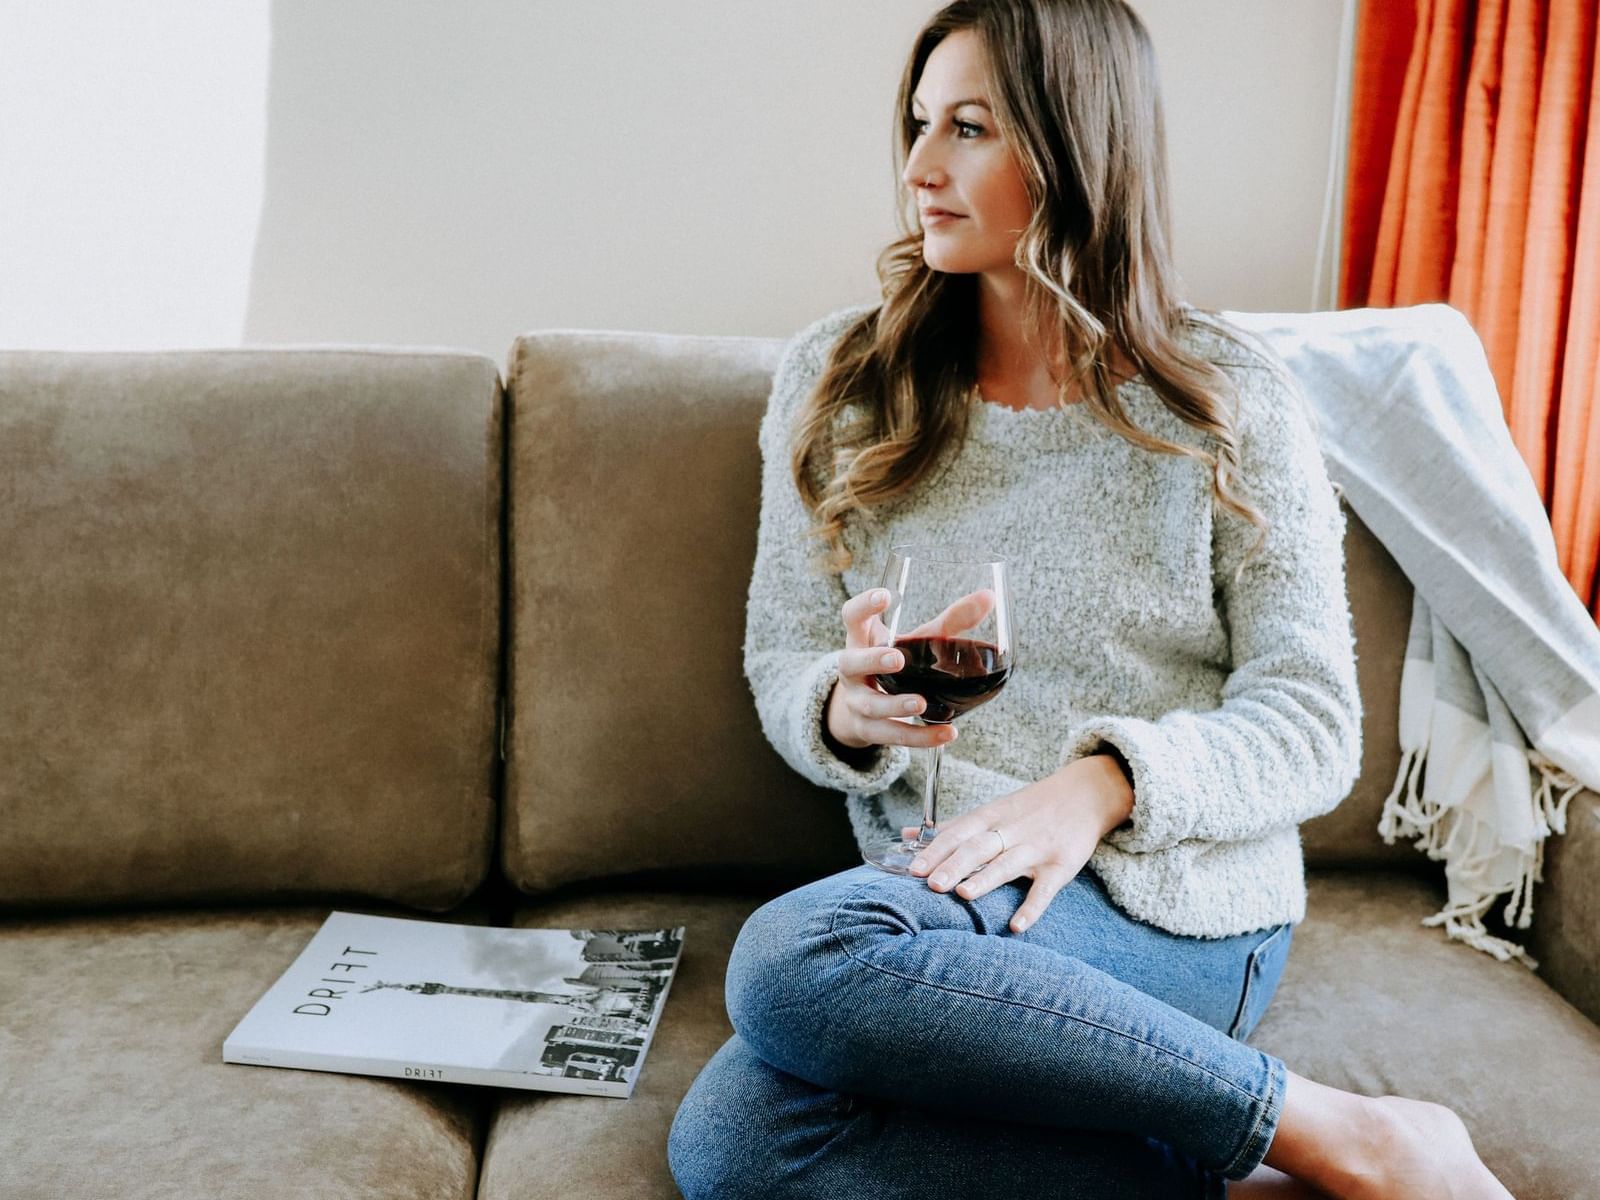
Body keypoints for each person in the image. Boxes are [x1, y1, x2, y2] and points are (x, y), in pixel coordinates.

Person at [667, 2, 1516, 1197]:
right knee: (732, 1151)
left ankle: (1348, 1132)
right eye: (918, 125)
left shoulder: (1228, 401)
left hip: (1178, 902)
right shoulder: (837, 381)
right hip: (942, 907)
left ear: (1076, 148)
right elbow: (785, 657)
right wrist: (842, 712)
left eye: (967, 129)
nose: (917, 169)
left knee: (792, 958)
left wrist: (1102, 785)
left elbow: (1316, 719)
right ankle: (1247, 1162)